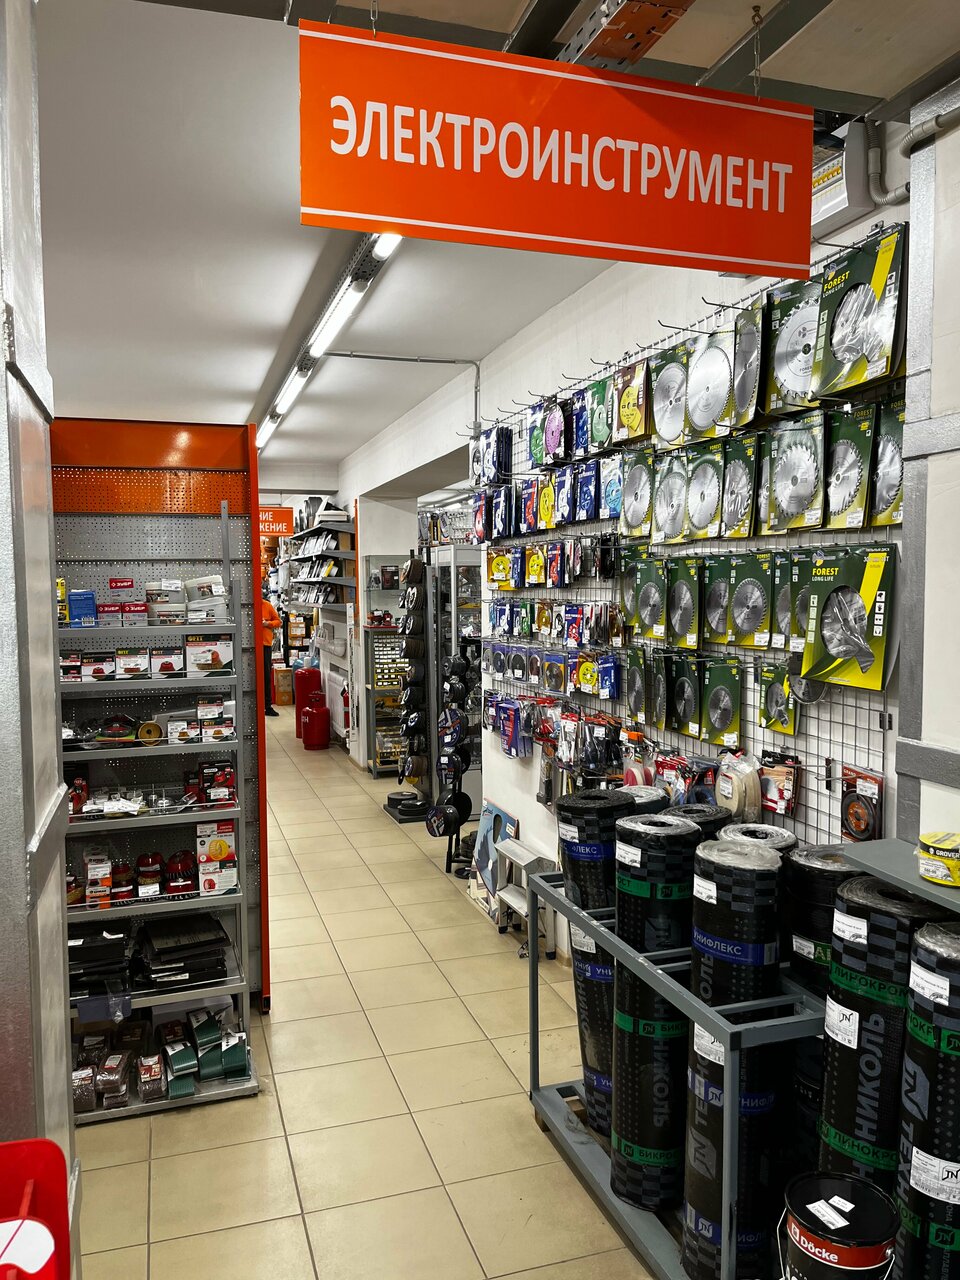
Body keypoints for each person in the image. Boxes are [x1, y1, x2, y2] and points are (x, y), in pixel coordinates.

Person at [261, 594, 282, 717]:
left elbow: (278, 621)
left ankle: (267, 706)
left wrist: (267, 623)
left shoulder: (267, 605)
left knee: (266, 676)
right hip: (250, 646)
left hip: (265, 645)